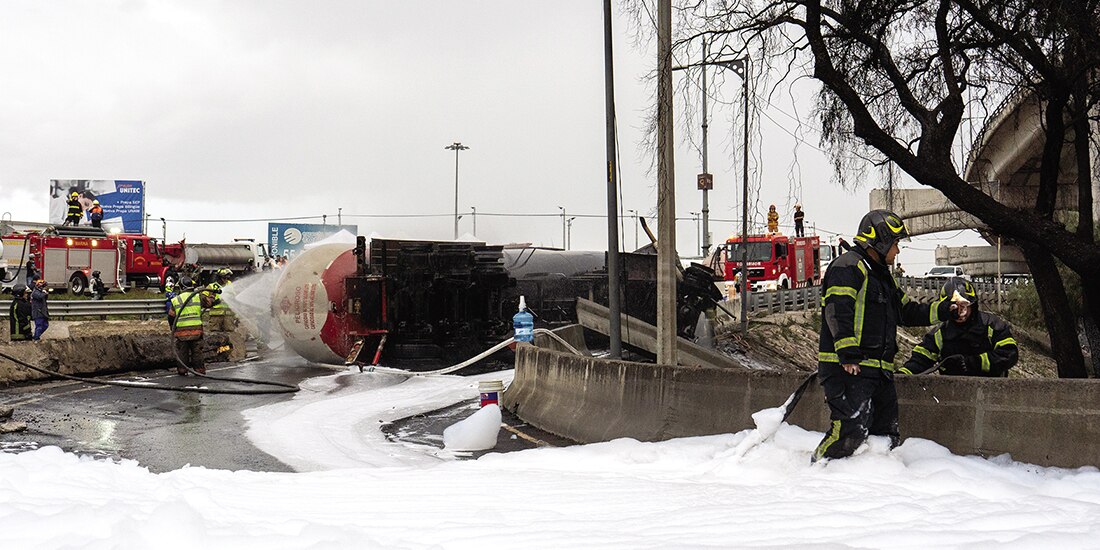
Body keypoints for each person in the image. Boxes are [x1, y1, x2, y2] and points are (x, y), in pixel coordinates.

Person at [813, 210, 951, 462]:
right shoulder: (848, 266)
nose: (897, 251)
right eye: (896, 243)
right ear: (880, 240)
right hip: (848, 368)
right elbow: (837, 311)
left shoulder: (881, 275)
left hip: (878, 370)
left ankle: (873, 489)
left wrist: (944, 310)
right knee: (848, 433)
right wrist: (847, 354)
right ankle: (816, 473)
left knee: (885, 437)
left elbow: (907, 311)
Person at [900, 277, 1019, 377]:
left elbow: (1009, 354)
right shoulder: (940, 333)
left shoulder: (992, 325)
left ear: (973, 304)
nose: (962, 312)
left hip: (992, 393)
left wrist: (973, 362)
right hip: (954, 395)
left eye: (965, 306)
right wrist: (901, 375)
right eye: (955, 307)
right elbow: (920, 360)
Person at [168, 278, 217, 375]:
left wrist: (172, 328)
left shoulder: (176, 299)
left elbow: (171, 316)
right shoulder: (198, 296)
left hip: (181, 332)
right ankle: (199, 371)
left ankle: (182, 370)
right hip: (196, 332)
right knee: (197, 352)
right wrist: (213, 296)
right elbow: (209, 303)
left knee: (182, 353)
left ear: (182, 287)